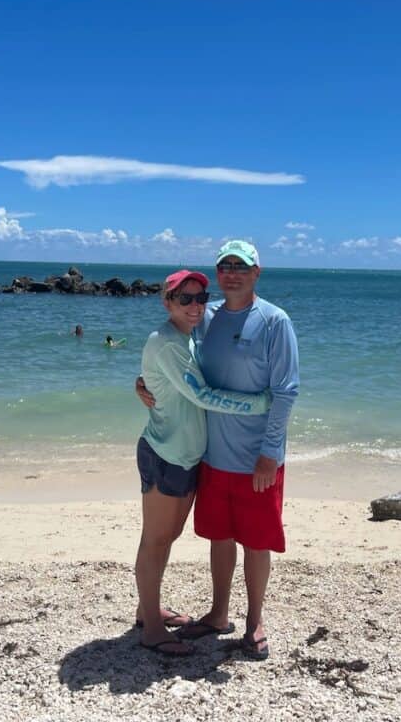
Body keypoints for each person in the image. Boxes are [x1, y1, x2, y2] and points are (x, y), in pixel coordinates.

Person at [138, 239, 299, 661]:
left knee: (257, 541)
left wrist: (269, 451)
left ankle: (255, 622)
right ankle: (218, 614)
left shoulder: (274, 321)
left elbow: (285, 391)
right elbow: (174, 362)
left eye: (240, 266)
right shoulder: (204, 318)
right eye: (224, 266)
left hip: (257, 459)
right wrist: (144, 384)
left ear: (256, 273)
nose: (231, 273)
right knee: (220, 538)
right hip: (211, 456)